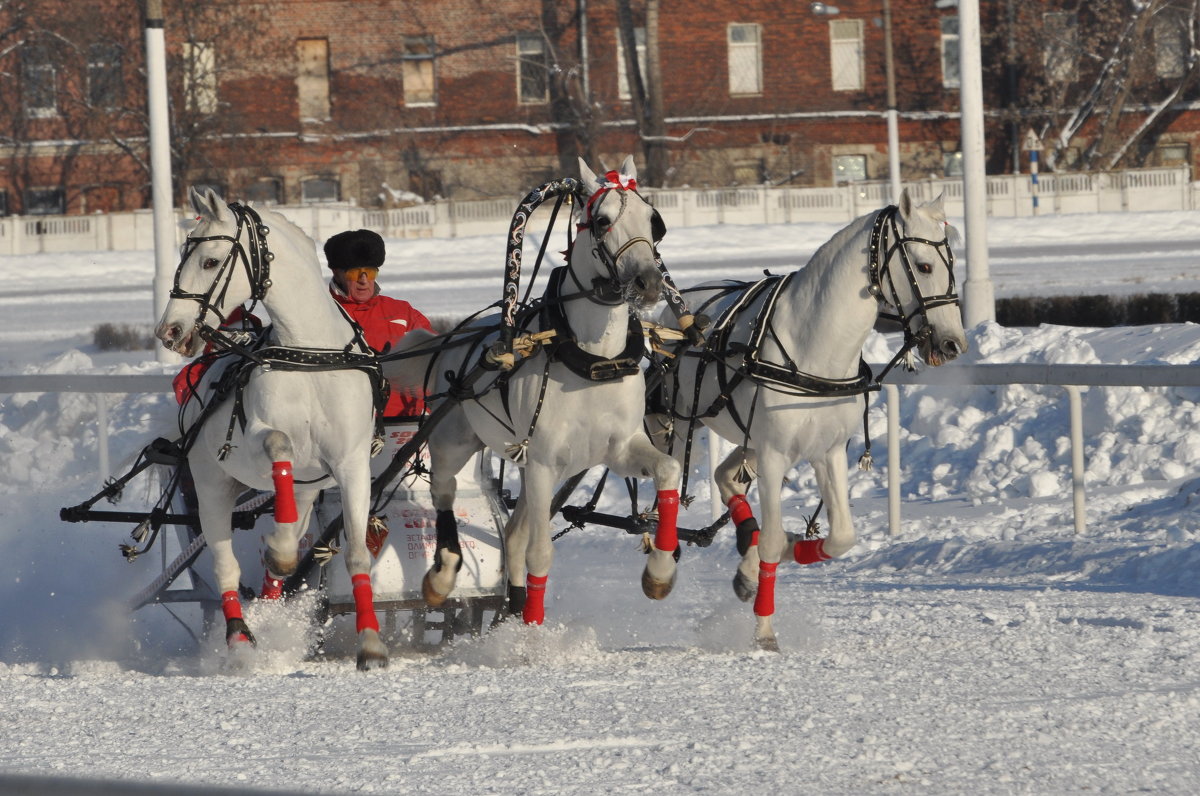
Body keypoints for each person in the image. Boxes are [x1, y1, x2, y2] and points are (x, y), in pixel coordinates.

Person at [324, 228, 433, 418]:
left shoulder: (402, 312)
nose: (363, 281)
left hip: (406, 422)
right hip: (340, 426)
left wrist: (430, 411)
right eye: (355, 273)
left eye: (370, 272)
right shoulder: (319, 311)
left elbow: (434, 361)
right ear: (337, 272)